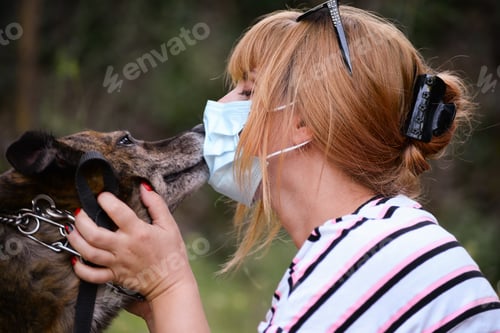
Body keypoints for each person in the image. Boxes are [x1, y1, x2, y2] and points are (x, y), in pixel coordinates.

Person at [67, 1, 500, 332]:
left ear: (303, 122)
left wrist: (170, 286)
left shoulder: (369, 261)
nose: (219, 107)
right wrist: (161, 299)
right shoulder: (372, 245)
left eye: (247, 91)